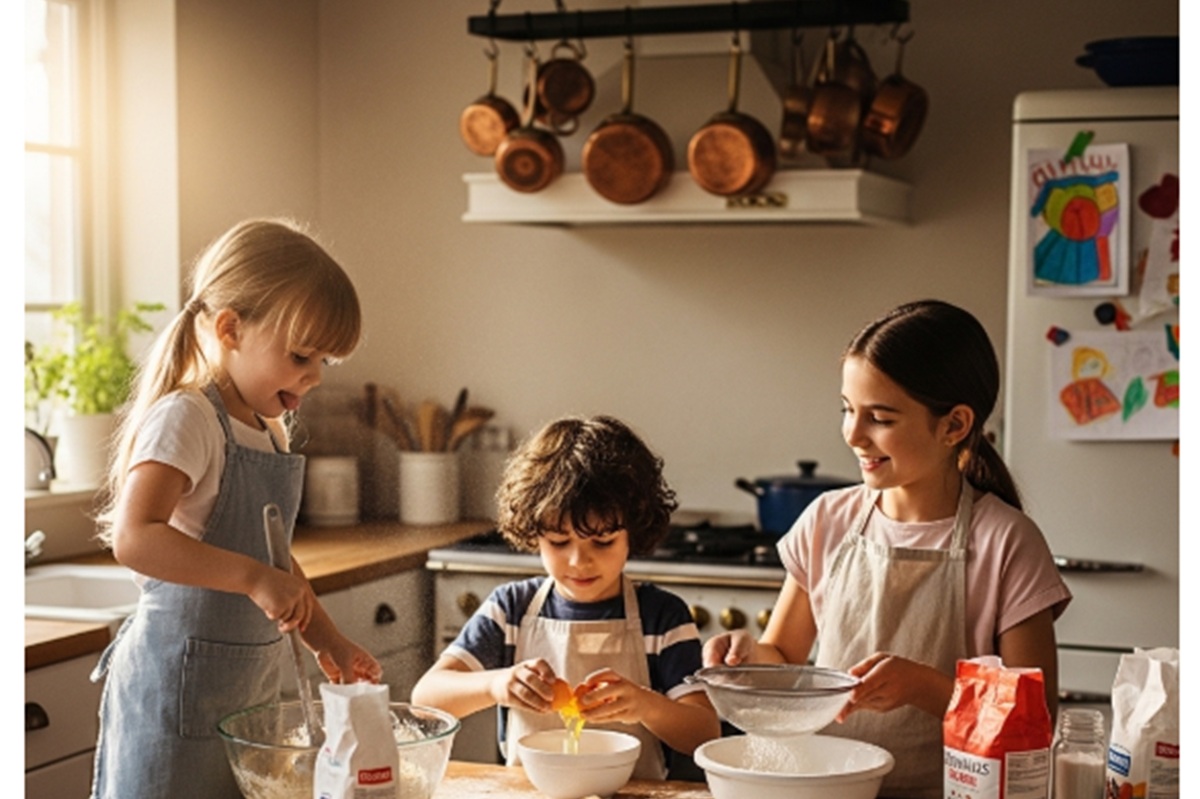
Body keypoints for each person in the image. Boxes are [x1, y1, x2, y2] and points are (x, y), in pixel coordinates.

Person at [704, 299, 1072, 799]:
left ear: (954, 425)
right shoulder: (827, 520)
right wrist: (748, 659)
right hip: (831, 790)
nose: (853, 435)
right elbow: (784, 656)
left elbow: (1035, 719)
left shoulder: (1007, 542)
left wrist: (925, 688)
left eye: (879, 418)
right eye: (847, 410)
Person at [89, 219, 382, 799]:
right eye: (301, 355)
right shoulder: (188, 418)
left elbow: (274, 561)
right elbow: (135, 537)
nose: (314, 377)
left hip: (243, 699)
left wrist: (328, 641)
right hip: (172, 698)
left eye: (325, 362)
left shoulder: (268, 431)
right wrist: (252, 578)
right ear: (230, 329)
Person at [412, 415, 719, 779]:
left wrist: (645, 705)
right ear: (534, 533)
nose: (579, 561)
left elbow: (704, 733)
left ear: (633, 533)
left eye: (603, 542)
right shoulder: (510, 610)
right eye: (559, 542)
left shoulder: (662, 616)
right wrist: (496, 685)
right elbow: (425, 699)